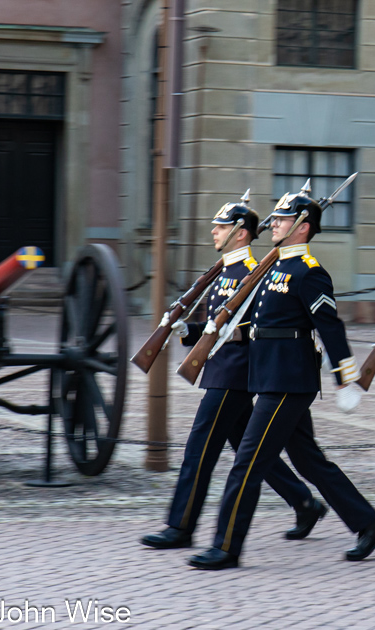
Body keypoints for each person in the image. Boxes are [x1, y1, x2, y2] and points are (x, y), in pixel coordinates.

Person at [188, 187, 375, 570]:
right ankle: (369, 524)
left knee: (246, 463)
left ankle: (226, 546)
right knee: (309, 461)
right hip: (268, 376)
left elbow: (330, 327)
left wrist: (345, 377)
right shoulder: (272, 268)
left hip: (289, 381)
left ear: (302, 227)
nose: (273, 224)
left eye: (282, 219)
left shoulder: (308, 273)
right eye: (276, 218)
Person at [140, 194, 326, 552]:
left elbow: (247, 328)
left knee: (199, 450)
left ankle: (181, 527)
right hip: (225, 370)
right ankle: (304, 502)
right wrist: (184, 330)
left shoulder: (252, 273)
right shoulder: (226, 270)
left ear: (241, 233)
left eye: (222, 226)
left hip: (235, 374)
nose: (214, 231)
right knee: (247, 451)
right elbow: (216, 324)